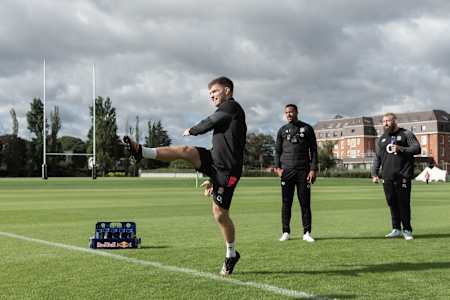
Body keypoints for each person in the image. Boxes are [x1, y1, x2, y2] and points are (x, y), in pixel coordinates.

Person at [124, 76, 246, 275]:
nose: (212, 96)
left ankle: (231, 254)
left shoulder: (232, 108)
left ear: (227, 91)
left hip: (228, 171)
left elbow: (210, 122)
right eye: (210, 94)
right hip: (214, 161)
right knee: (186, 150)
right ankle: (142, 152)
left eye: (214, 92)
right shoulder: (225, 110)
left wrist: (193, 130)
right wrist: (211, 175)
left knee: (219, 214)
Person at [371, 112, 420, 240]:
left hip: (403, 175)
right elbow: (377, 158)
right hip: (387, 176)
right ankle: (396, 229)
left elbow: (417, 149)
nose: (385, 123)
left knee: (403, 203)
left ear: (395, 121)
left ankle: (407, 230)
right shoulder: (381, 139)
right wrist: (374, 173)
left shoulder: (406, 134)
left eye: (388, 121)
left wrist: (401, 149)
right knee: (392, 203)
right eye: (383, 121)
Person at [273, 104, 318, 242]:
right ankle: (286, 232)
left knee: (305, 203)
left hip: (303, 171)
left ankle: (307, 232)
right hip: (286, 171)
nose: (288, 114)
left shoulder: (307, 128)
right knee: (286, 203)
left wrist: (313, 169)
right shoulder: (282, 130)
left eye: (291, 112)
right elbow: (277, 151)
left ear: (297, 112)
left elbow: (314, 150)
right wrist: (277, 168)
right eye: (286, 112)